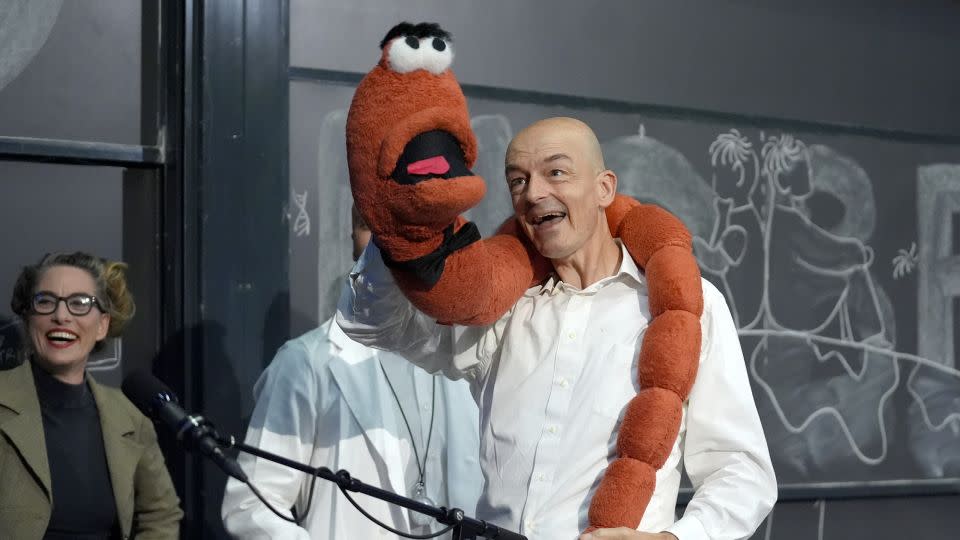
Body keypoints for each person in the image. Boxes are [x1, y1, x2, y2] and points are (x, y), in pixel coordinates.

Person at [338, 117, 778, 540]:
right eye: (518, 180)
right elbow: (374, 325)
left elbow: (741, 471)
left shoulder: (690, 305)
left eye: (557, 172)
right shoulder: (500, 305)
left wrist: (677, 538)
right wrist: (396, 230)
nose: (534, 193)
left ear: (605, 187)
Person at [221, 205, 483, 539]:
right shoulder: (305, 363)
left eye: (409, 227)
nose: (387, 242)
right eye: (370, 226)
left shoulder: (471, 355)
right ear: (353, 240)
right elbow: (250, 506)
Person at [0, 252, 183, 539]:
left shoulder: (131, 419)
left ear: (102, 326)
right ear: (27, 318)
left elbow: (162, 511)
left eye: (79, 304)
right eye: (45, 301)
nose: (61, 316)